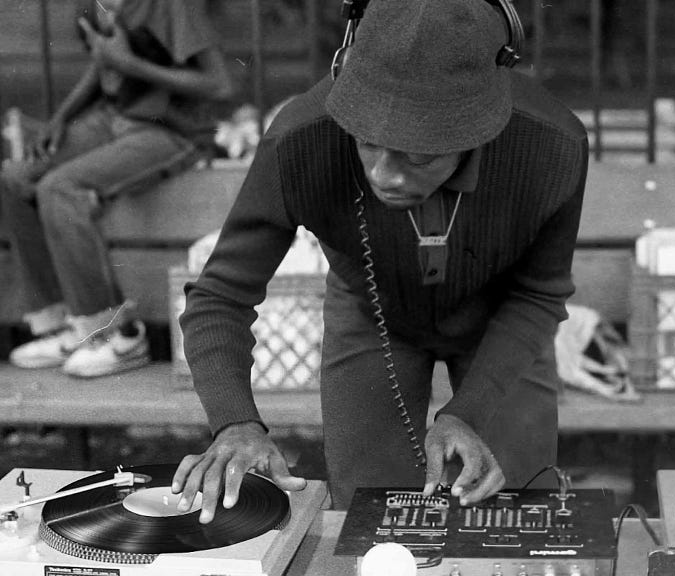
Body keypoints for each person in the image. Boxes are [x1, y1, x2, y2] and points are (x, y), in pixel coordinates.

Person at [171, 0, 589, 521]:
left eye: (419, 156)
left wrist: (470, 412)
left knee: (519, 515)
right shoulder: (300, 138)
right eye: (368, 143)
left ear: (479, 128)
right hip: (370, 312)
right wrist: (235, 423)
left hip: (504, 321)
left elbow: (539, 293)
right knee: (369, 518)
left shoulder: (552, 145)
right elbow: (218, 297)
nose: (386, 175)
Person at [0, 0, 234, 377]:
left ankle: (116, 335)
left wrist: (131, 65)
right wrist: (62, 118)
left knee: (61, 189)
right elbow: (106, 61)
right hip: (115, 119)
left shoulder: (171, 6)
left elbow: (220, 83)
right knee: (15, 177)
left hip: (170, 130)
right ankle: (66, 327)